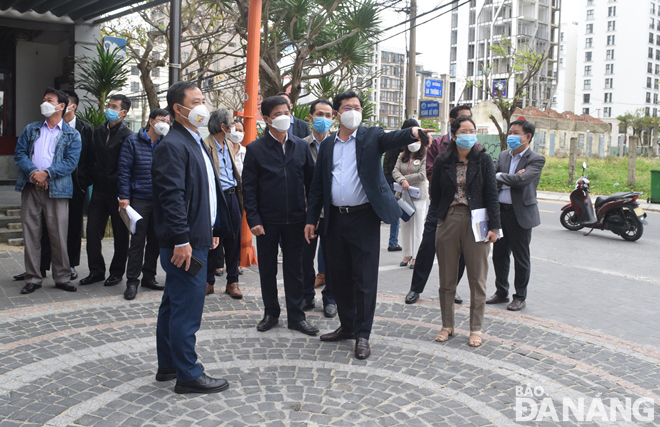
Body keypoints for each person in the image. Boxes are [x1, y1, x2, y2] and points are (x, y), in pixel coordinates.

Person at [305, 90, 432, 360]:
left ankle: (363, 334)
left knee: (364, 279)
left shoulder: (371, 136)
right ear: (338, 113)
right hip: (335, 219)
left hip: (364, 218)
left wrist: (413, 132)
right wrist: (310, 218)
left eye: (357, 107)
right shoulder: (327, 145)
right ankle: (348, 326)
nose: (354, 111)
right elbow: (318, 185)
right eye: (348, 107)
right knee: (338, 278)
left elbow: (393, 137)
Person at [152, 81, 232, 394]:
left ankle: (169, 365)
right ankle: (188, 373)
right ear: (178, 108)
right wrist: (182, 240)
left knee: (173, 303)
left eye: (203, 99)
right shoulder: (173, 144)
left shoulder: (193, 139)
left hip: (197, 236)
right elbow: (171, 197)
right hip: (183, 243)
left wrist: (210, 230)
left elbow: (203, 192)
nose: (203, 106)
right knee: (186, 307)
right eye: (196, 100)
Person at [242, 95, 318, 336]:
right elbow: (249, 187)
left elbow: (312, 184)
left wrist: (310, 218)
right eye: (277, 114)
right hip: (267, 221)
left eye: (286, 112)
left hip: (296, 219)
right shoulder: (255, 149)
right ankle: (271, 313)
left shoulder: (301, 146)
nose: (284, 117)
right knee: (267, 269)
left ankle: (297, 316)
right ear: (266, 119)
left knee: (295, 270)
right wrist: (253, 219)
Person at [431, 116, 500, 347]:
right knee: (447, 279)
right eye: (464, 131)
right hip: (449, 219)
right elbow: (435, 194)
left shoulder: (484, 160)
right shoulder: (442, 161)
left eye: (472, 130)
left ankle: (476, 328)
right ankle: (447, 325)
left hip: (478, 221)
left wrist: (494, 227)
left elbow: (492, 194)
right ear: (453, 134)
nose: (468, 134)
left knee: (477, 279)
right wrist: (437, 222)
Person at [13, 89, 93, 282]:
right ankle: (33, 276)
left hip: (57, 190)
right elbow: (20, 154)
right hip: (31, 188)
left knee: (58, 235)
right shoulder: (31, 129)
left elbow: (70, 162)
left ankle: (62, 277)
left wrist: (47, 174)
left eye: (49, 100)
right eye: (44, 99)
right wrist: (34, 173)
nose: (44, 103)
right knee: (31, 234)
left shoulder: (72, 135)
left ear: (61, 106)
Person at [404, 104, 473, 305]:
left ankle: (453, 289)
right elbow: (431, 172)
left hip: (464, 208)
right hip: (440, 205)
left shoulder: (474, 147)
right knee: (427, 246)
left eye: (470, 120)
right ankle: (415, 289)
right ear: (452, 123)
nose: (468, 125)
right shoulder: (438, 144)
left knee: (460, 252)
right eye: (463, 120)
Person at [487, 119, 546, 311]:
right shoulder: (504, 155)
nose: (511, 136)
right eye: (510, 132)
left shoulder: (536, 159)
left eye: (516, 133)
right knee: (499, 255)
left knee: (521, 258)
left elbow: (522, 180)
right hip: (500, 213)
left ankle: (520, 296)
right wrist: (506, 178)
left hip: (520, 215)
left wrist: (503, 178)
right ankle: (501, 291)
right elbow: (492, 179)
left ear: (527, 137)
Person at [79, 94, 133, 287]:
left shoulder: (127, 136)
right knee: (92, 232)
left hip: (118, 193)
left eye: (114, 106)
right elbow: (91, 156)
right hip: (99, 190)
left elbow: (128, 166)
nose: (109, 109)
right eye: (109, 105)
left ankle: (117, 272)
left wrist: (125, 193)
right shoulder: (98, 131)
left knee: (120, 234)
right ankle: (96, 271)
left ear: (124, 112)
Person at [118, 108, 171, 300]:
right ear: (150, 121)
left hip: (161, 200)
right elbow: (124, 170)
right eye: (160, 120)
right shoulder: (133, 141)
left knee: (156, 240)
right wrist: (124, 196)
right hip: (139, 199)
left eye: (167, 120)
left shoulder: (168, 142)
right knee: (137, 241)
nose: (164, 123)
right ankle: (132, 281)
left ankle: (149, 276)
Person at [203, 109, 244, 299]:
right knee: (213, 240)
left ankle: (232, 281)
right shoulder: (205, 145)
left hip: (233, 195)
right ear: (223, 126)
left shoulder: (229, 143)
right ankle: (208, 281)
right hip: (215, 197)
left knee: (234, 239)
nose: (234, 126)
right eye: (232, 123)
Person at [301, 99, 336, 318]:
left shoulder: (338, 146)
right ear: (310, 117)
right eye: (319, 114)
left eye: (328, 115)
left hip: (332, 213)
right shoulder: (300, 145)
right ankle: (306, 295)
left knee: (332, 258)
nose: (324, 119)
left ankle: (330, 298)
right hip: (307, 213)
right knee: (304, 257)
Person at [392, 118, 429, 270]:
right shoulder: (402, 155)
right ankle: (407, 254)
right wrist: (402, 181)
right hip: (403, 195)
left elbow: (423, 174)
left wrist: (405, 179)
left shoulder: (426, 154)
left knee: (418, 226)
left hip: (418, 195)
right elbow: (395, 170)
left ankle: (416, 256)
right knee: (405, 224)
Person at [382, 146, 402, 252]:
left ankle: (393, 242)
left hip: (389, 180)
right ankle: (393, 242)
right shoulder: (404, 148)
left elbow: (385, 164)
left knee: (394, 212)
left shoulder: (390, 147)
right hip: (402, 182)